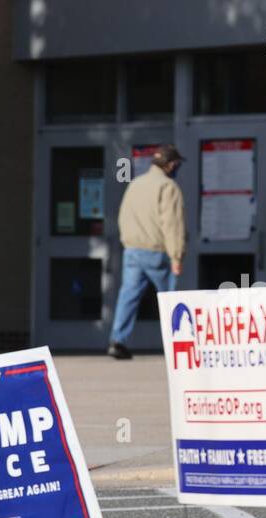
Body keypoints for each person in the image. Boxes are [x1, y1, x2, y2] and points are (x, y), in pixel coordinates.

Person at [108, 144, 186, 360]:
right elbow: (172, 224)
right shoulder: (168, 187)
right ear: (170, 165)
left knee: (128, 296)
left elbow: (124, 216)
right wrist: (176, 256)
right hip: (156, 251)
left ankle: (117, 340)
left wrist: (129, 242)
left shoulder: (135, 184)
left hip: (132, 250)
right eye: (177, 164)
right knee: (169, 299)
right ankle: (176, 342)